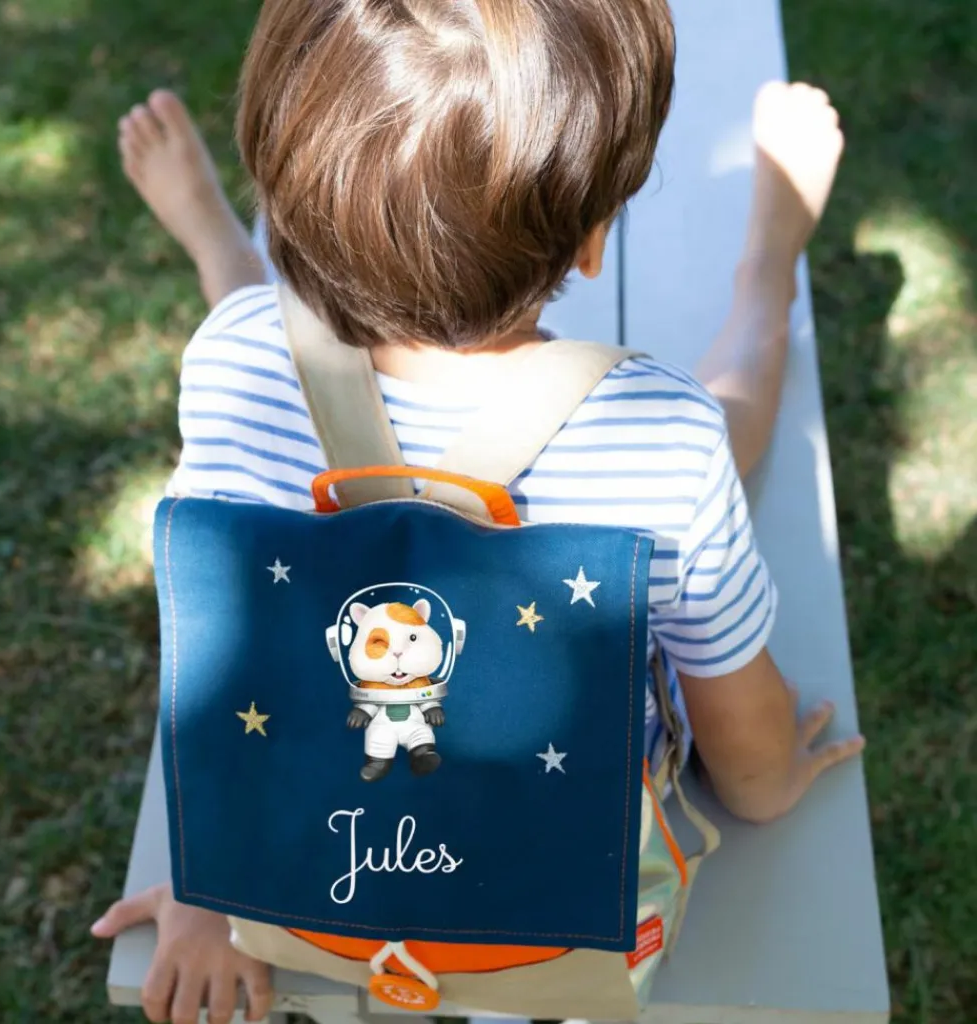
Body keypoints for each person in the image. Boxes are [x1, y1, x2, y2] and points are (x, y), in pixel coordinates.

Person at [95, 3, 864, 1022]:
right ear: (593, 239)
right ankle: (770, 256)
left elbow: (225, 659)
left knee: (272, 361)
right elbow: (753, 770)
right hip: (560, 934)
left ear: (281, 194)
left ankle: (208, 235)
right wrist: (774, 780)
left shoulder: (232, 357)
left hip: (292, 896)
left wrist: (210, 902)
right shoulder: (659, 433)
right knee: (722, 429)